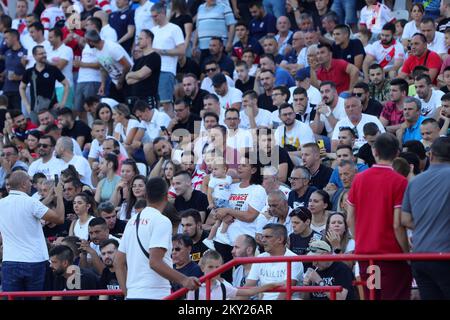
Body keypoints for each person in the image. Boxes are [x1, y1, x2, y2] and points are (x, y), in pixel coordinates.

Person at [347, 133, 412, 300]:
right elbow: (397, 225)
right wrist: (407, 254)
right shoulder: (400, 181)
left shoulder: (359, 179)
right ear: (397, 153)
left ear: (374, 151)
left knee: (372, 296)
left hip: (366, 256)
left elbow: (350, 218)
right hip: (391, 257)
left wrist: (361, 239)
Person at [115, 177, 201, 299]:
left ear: (145, 195)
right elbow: (154, 262)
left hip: (134, 294)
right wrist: (184, 280)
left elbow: (118, 262)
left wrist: (128, 294)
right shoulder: (162, 221)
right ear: (166, 196)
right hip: (155, 294)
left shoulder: (132, 221)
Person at [401, 137, 450, 300]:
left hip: (420, 256)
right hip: (445, 255)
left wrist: (427, 227)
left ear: (431, 155)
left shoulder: (414, 182)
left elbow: (405, 219)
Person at [0, 171, 64, 293]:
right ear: (24, 184)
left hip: (9, 261)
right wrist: (59, 196)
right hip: (34, 261)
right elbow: (59, 218)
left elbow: (27, 210)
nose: (31, 185)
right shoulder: (31, 202)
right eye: (29, 182)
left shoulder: (1, 204)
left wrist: (49, 197)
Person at [213, 151, 267, 281]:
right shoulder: (231, 186)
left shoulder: (257, 189)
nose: (239, 167)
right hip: (222, 240)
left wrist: (229, 211)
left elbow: (250, 216)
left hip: (243, 245)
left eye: (244, 165)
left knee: (237, 283)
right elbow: (218, 208)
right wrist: (222, 214)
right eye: (239, 164)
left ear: (253, 170)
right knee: (221, 281)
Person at [186, 249, 280, 300]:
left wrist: (272, 285)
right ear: (202, 268)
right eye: (210, 267)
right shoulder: (194, 289)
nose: (214, 271)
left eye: (217, 267)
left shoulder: (224, 287)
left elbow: (249, 292)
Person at [245, 224, 304, 300]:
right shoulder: (260, 258)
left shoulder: (294, 259)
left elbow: (284, 294)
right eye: (262, 237)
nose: (263, 240)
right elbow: (248, 287)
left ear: (280, 239)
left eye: (267, 237)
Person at [151, 2, 185, 116]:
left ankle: (169, 130)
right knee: (155, 104)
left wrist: (161, 51)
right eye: (152, 16)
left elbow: (181, 50)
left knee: (166, 103)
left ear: (163, 13)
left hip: (166, 69)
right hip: (153, 71)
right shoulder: (153, 30)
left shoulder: (174, 29)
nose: (153, 18)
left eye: (155, 16)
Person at [19, 45, 69, 123]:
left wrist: (63, 102)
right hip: (35, 111)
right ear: (34, 56)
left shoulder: (52, 69)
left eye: (44, 53)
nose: (44, 55)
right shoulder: (29, 71)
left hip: (51, 109)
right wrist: (27, 106)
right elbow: (21, 87)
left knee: (53, 132)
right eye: (41, 54)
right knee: (38, 133)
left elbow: (66, 84)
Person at [85, 29, 132, 103]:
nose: (86, 44)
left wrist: (120, 82)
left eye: (87, 42)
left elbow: (127, 66)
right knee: (113, 107)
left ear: (90, 42)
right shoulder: (95, 50)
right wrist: (103, 84)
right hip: (115, 81)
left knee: (128, 107)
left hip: (128, 79)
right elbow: (103, 67)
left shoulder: (112, 48)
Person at [125, 29, 161, 110]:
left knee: (151, 122)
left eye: (141, 39)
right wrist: (138, 76)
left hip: (148, 99)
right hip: (136, 100)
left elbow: (140, 75)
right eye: (138, 39)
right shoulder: (138, 60)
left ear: (149, 39)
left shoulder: (154, 56)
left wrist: (130, 74)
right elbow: (128, 81)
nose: (138, 41)